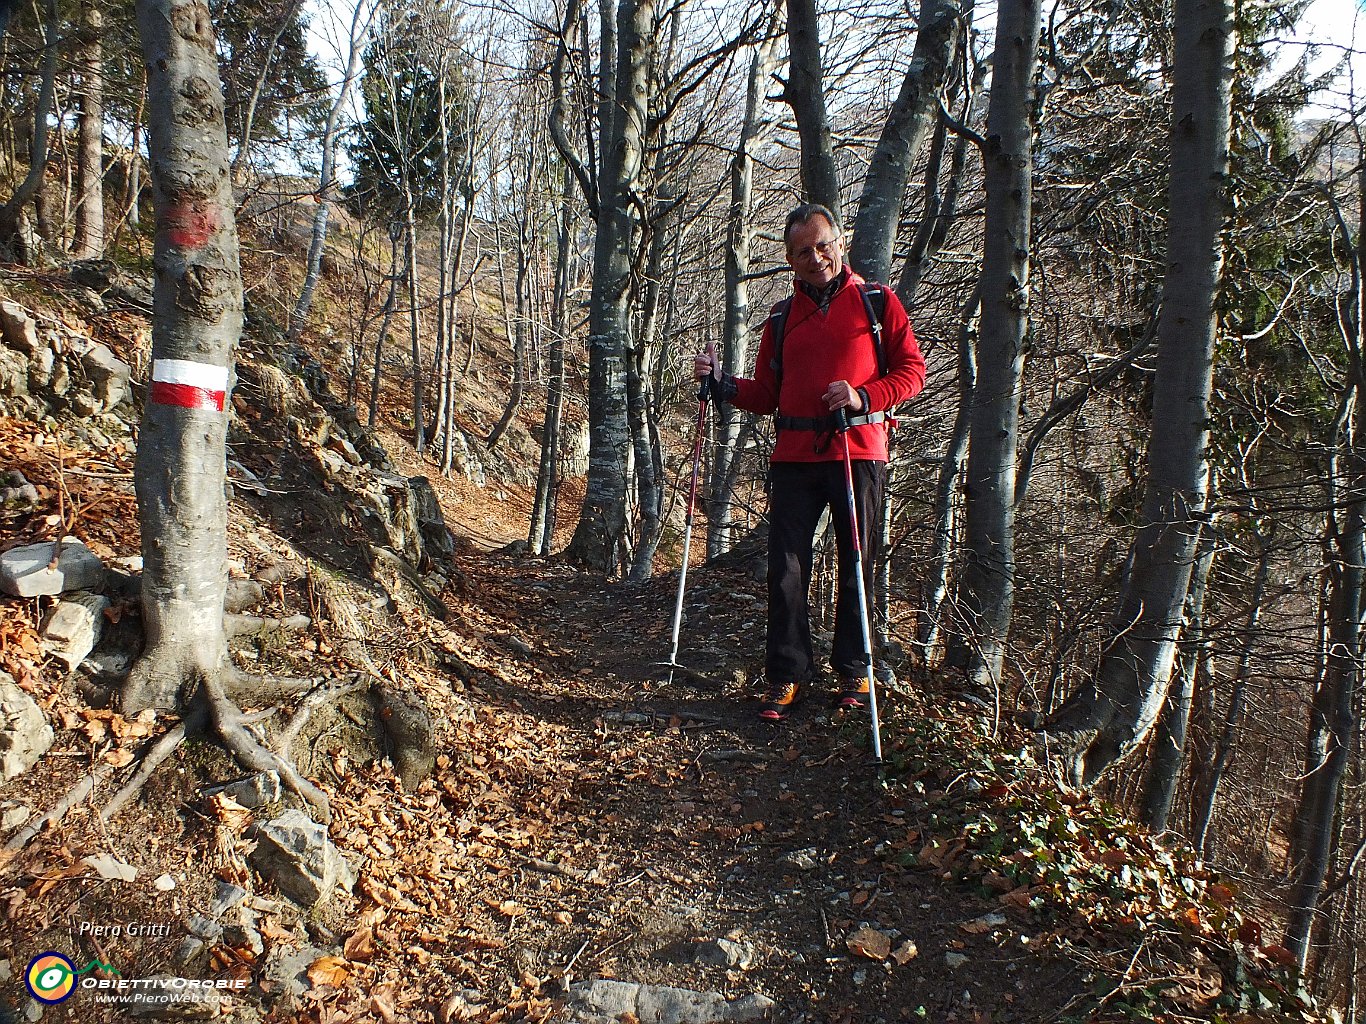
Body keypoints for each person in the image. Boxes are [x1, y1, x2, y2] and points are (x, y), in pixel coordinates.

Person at [694, 203, 926, 721]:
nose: (815, 257)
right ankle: (786, 675)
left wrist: (864, 397)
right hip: (795, 456)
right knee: (785, 569)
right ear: (790, 259)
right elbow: (769, 393)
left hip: (857, 451)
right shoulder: (780, 319)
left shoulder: (876, 303)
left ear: (839, 243)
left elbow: (913, 372)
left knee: (856, 564)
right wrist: (721, 385)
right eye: (803, 251)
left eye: (822, 245)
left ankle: (855, 670)